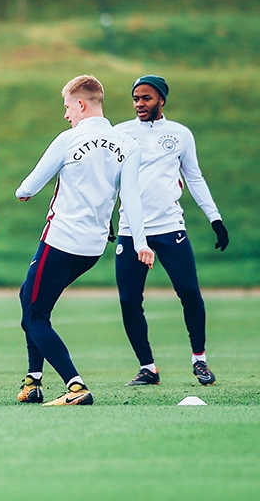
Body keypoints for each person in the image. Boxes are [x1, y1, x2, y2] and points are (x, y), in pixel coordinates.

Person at [15, 75, 154, 406]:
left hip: (60, 240)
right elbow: (131, 198)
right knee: (29, 299)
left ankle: (75, 386)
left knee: (33, 316)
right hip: (92, 249)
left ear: (80, 104)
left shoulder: (68, 139)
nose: (66, 115)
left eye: (67, 107)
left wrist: (23, 192)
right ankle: (33, 382)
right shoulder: (128, 145)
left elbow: (28, 188)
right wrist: (141, 243)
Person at [114, 75, 227, 387]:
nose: (139, 103)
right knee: (128, 300)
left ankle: (199, 360)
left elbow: (194, 177)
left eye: (147, 98)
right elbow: (109, 178)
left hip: (169, 227)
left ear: (162, 100)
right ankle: (147, 367)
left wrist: (214, 218)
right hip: (130, 230)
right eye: (136, 98)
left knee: (189, 292)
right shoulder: (120, 133)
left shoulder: (179, 134)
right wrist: (106, 219)